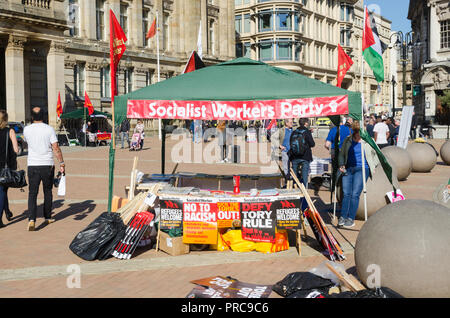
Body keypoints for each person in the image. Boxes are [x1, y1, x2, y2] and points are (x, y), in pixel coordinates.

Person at [23, 107, 65, 231]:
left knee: (32, 193)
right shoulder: (49, 129)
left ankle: (32, 219)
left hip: (32, 164)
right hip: (47, 164)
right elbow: (56, 147)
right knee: (47, 191)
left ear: (32, 116)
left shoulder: (26, 129)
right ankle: (47, 216)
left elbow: (26, 144)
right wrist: (61, 162)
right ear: (43, 116)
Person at [338, 121, 379, 228]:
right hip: (348, 168)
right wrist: (341, 164)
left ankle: (351, 218)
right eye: (357, 131)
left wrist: (373, 166)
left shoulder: (368, 140)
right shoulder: (348, 140)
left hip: (362, 169)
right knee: (346, 193)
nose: (359, 133)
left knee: (355, 194)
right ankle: (343, 216)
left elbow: (377, 154)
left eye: (361, 131)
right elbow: (341, 154)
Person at [0, 111, 19, 228]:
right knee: (2, 190)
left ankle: (7, 211)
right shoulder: (10, 131)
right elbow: (16, 149)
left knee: (2, 190)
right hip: (6, 167)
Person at [289, 118, 315, 190]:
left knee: (295, 174)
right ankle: (304, 189)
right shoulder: (306, 132)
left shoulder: (294, 132)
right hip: (305, 156)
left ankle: (295, 187)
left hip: (294, 156)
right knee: (304, 175)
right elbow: (312, 144)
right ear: (306, 123)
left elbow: (290, 143)